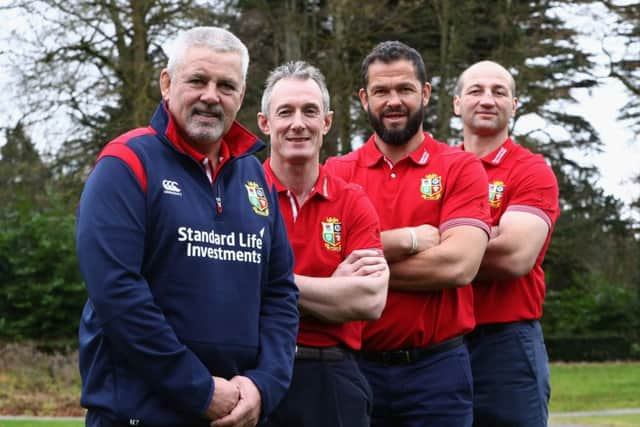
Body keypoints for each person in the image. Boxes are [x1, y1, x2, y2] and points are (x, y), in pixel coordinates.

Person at [75, 27, 299, 427]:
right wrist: (199, 389)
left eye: (226, 85)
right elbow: (118, 295)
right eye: (197, 80)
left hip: (240, 412)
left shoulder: (256, 177)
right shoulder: (125, 165)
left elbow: (280, 291)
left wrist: (265, 385)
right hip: (141, 414)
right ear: (167, 83)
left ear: (242, 95)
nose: (211, 96)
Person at [325, 41, 491, 427]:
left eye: (404, 89)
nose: (393, 101)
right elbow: (321, 258)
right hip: (353, 366)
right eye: (381, 91)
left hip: (437, 371)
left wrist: (355, 274)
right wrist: (409, 240)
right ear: (364, 99)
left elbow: (459, 265)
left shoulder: (461, 168)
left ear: (426, 93)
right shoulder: (335, 172)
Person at [257, 60, 389, 427]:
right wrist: (332, 288)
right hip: (254, 372)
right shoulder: (238, 193)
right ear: (265, 122)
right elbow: (229, 291)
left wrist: (271, 285)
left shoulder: (353, 201)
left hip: (331, 375)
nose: (298, 123)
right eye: (285, 112)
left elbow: (370, 300)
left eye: (309, 111)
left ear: (326, 122)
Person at [454, 60, 559, 427]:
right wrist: (488, 232)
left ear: (514, 106)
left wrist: (439, 240)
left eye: (499, 92)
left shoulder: (530, 170)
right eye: (476, 91)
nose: (487, 99)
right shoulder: (436, 169)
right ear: (456, 103)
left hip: (506, 343)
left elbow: (515, 256)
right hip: (440, 344)